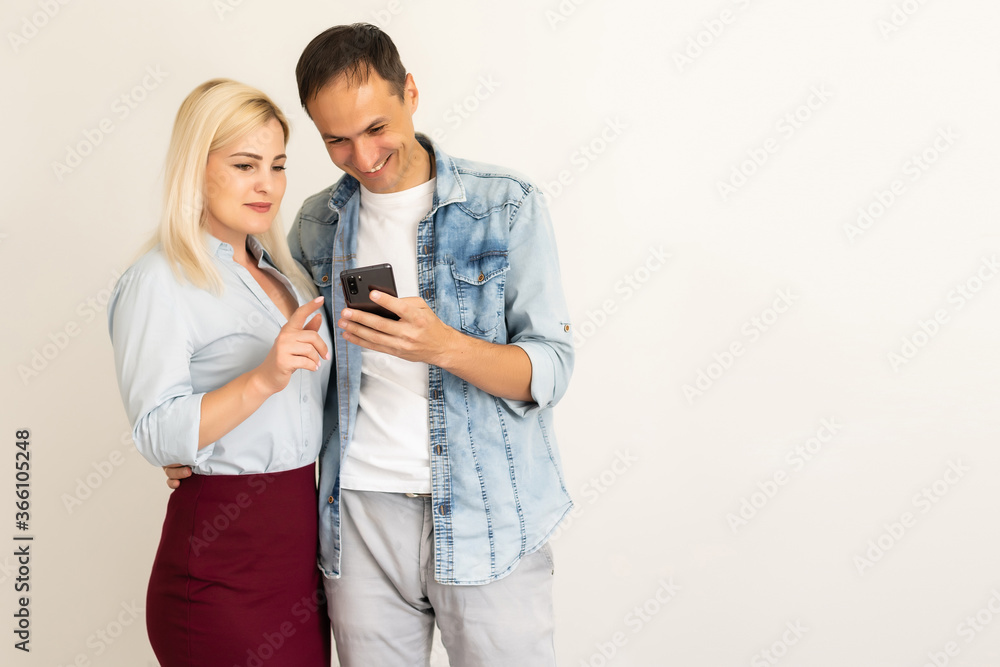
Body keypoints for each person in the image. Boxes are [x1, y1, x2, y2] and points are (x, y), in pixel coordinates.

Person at [168, 24, 576, 666]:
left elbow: (551, 369)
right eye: (336, 140)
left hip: (489, 517)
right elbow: (290, 363)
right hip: (355, 520)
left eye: (376, 128)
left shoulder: (505, 205)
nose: (362, 156)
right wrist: (205, 443)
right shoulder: (313, 224)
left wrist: (445, 346)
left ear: (410, 92)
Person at [108, 78, 332, 666]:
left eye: (278, 165)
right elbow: (156, 433)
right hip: (219, 566)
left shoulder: (289, 277)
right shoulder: (159, 281)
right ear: (195, 166)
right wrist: (262, 378)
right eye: (244, 164)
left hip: (301, 561)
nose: (267, 184)